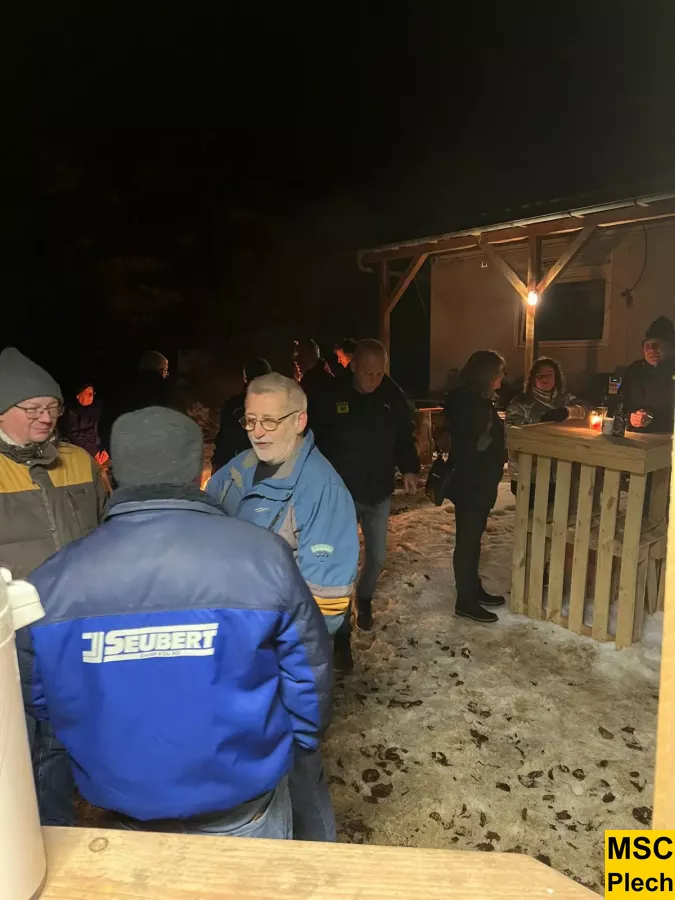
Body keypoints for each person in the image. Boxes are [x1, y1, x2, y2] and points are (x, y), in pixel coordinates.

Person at [21, 407, 333, 840]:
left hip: (125, 804)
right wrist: (295, 747)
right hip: (243, 797)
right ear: (196, 471)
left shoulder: (50, 582)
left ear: (114, 471)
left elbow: (40, 701)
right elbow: (308, 678)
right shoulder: (263, 557)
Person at [207, 373, 358, 841]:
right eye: (251, 420)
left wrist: (284, 667)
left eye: (271, 420)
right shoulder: (234, 472)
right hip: (231, 656)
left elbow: (327, 604)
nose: (259, 431)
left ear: (300, 420)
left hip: (280, 663)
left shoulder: (321, 490)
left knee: (299, 769)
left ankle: (317, 859)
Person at [0, 347, 107, 826]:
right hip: (15, 634)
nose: (45, 418)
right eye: (32, 409)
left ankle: (74, 809)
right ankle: (41, 828)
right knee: (29, 740)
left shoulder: (79, 461)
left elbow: (106, 529)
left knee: (73, 729)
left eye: (53, 407)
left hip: (79, 622)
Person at [312, 339, 420, 641]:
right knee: (343, 558)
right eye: (368, 373)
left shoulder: (391, 396)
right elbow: (314, 439)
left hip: (378, 489)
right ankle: (341, 616)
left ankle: (364, 597)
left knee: (377, 557)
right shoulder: (331, 396)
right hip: (342, 492)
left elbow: (403, 434)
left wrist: (409, 468)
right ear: (354, 366)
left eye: (379, 374)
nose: (374, 380)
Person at [444, 350, 507, 625]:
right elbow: (473, 442)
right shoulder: (469, 403)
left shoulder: (475, 401)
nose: (503, 378)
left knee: (473, 539)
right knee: (467, 541)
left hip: (479, 482)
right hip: (471, 483)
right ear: (487, 375)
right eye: (499, 373)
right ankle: (465, 599)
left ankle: (473, 588)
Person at [506, 357, 587, 495]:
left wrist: (569, 412)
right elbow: (512, 433)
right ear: (532, 378)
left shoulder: (565, 399)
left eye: (550, 374)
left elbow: (589, 411)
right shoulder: (520, 403)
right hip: (529, 474)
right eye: (540, 375)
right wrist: (541, 421)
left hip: (560, 473)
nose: (545, 378)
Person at [211, 357, 272, 474]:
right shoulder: (279, 405)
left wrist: (217, 468)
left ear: (245, 378)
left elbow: (224, 443)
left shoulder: (233, 405)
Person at [622, 316, 675, 434]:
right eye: (647, 346)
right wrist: (630, 418)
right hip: (635, 436)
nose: (652, 350)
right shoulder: (635, 370)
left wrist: (653, 418)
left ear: (672, 347)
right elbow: (620, 404)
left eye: (657, 345)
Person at [61, 381, 109, 466]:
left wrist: (103, 449)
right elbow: (75, 437)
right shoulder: (70, 411)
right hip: (79, 452)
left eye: (92, 393)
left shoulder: (95, 409)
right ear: (78, 395)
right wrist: (95, 453)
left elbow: (99, 431)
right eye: (87, 393)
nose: (91, 396)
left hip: (97, 450)